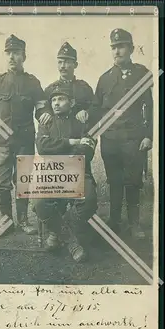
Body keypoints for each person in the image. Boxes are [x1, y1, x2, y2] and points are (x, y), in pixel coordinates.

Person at [0, 34, 52, 235]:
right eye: (9, 53)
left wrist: (45, 114)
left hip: (24, 141)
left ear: (24, 56)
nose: (12, 57)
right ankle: (6, 221)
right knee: (0, 182)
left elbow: (41, 107)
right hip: (1, 142)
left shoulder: (32, 82)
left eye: (16, 53)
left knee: (23, 181)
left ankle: (23, 220)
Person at [95, 29, 153, 238]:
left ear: (131, 49)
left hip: (133, 139)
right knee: (114, 181)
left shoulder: (141, 74)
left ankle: (135, 224)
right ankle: (115, 220)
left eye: (121, 46)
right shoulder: (104, 79)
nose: (117, 51)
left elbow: (149, 106)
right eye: (113, 47)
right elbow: (97, 110)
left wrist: (149, 135)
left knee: (133, 180)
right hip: (110, 140)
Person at [34, 84, 98, 263]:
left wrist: (60, 148)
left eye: (60, 99)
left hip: (77, 171)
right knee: (40, 203)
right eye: (53, 100)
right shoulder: (46, 123)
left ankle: (57, 232)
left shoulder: (81, 122)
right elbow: (42, 148)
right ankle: (72, 242)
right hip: (53, 173)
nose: (56, 103)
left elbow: (87, 150)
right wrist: (71, 142)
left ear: (72, 102)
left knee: (89, 200)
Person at [45, 42, 95, 125]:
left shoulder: (84, 88)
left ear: (75, 65)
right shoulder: (50, 90)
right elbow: (45, 111)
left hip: (80, 134)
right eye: (60, 62)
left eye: (67, 62)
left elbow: (94, 108)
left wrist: (87, 112)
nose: (62, 66)